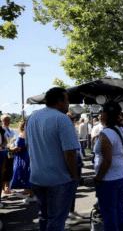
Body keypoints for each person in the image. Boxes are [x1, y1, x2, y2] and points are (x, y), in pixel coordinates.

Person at [26, 87, 80, 230]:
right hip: (58, 179)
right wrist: (74, 175)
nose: (68, 103)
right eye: (67, 100)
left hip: (37, 177)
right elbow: (70, 153)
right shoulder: (62, 119)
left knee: (44, 217)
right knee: (56, 220)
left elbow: (28, 145)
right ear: (59, 101)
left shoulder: (32, 117)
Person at [93, 100, 123, 231]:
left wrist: (98, 178)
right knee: (119, 209)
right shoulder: (120, 130)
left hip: (108, 179)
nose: (100, 115)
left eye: (102, 112)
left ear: (106, 114)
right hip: (121, 175)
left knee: (109, 213)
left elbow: (106, 161)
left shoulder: (106, 133)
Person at [8, 120, 36, 204]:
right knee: (27, 175)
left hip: (22, 158)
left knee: (23, 174)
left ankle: (29, 194)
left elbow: (17, 149)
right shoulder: (31, 135)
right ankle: (28, 193)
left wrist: (10, 147)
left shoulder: (21, 135)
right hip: (29, 157)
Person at [1, 114, 15, 196]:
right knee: (4, 170)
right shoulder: (1, 129)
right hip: (3, 151)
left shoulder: (11, 130)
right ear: (2, 121)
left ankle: (8, 187)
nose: (7, 122)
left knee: (10, 169)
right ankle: (2, 189)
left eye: (8, 120)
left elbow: (13, 139)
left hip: (11, 151)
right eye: (5, 120)